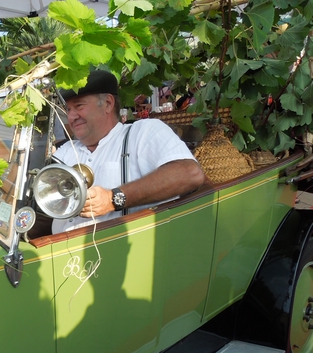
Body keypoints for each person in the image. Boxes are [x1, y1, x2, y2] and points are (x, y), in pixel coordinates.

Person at [52, 70, 205, 234]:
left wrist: (113, 199)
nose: (71, 116)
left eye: (79, 106)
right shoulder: (66, 150)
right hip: (60, 248)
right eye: (68, 109)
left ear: (108, 103)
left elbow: (189, 173)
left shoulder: (142, 132)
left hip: (122, 246)